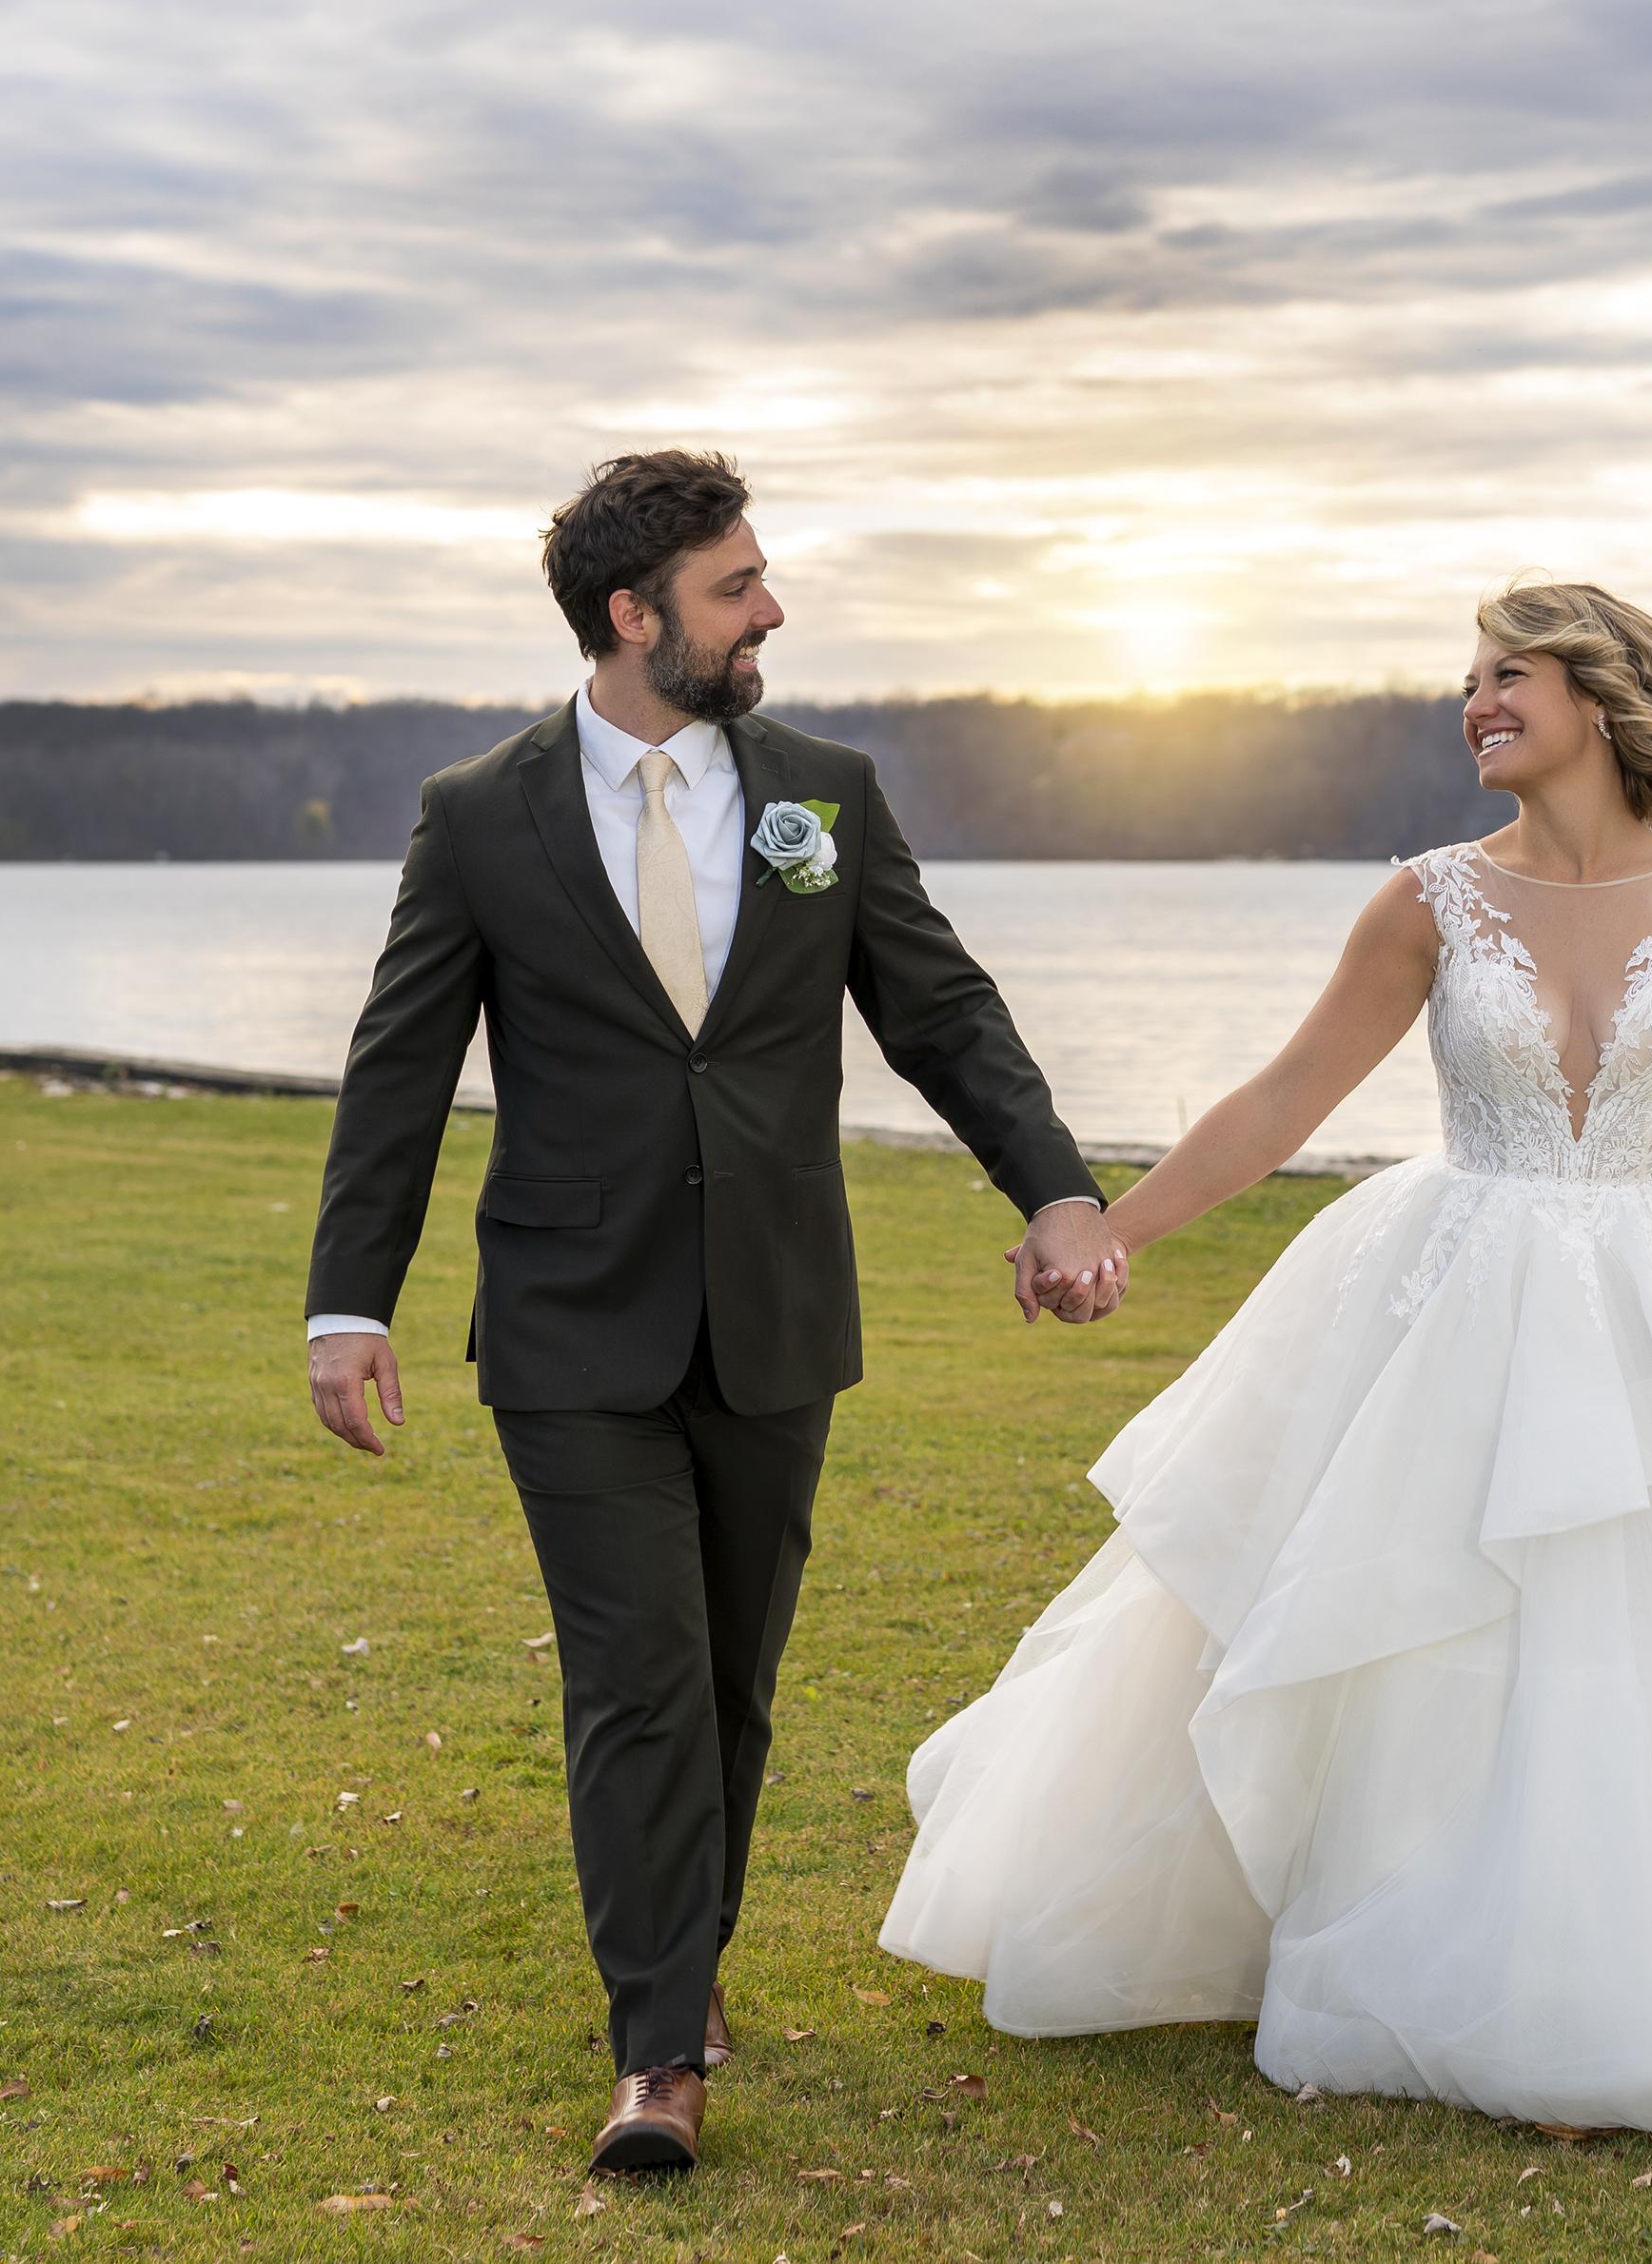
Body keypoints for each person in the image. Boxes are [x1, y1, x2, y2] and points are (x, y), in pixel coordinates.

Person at [882, 580, 1652, 2152]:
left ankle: (1640, 1951)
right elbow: (1285, 1098)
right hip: (1458, 1294)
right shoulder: (1427, 900)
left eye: (1510, 675)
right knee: (1433, 1612)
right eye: (1469, 680)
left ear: (1603, 697)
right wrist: (1110, 1228)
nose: (1476, 703)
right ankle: (1417, 1923)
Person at [301, 449, 1124, 2176]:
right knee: (640, 1681)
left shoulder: (823, 790)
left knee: (733, 1681)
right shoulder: (480, 814)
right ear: (633, 613)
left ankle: (688, 1950)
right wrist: (346, 1302)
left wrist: (1052, 1186)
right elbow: (399, 1067)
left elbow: (942, 1010)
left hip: (773, 1308)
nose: (771, 610)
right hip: (567, 1322)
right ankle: (658, 2048)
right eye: (737, 586)